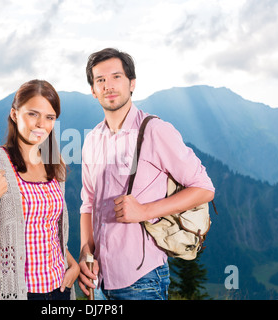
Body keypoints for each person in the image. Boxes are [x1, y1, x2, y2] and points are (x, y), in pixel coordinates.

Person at [78, 48, 215, 300]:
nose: (108, 85)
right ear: (93, 90)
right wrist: (86, 252)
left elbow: (204, 188)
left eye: (116, 77)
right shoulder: (91, 140)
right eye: (100, 80)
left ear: (132, 83)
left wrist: (145, 211)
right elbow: (88, 203)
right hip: (98, 281)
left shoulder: (155, 130)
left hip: (142, 279)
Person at [0, 79, 79, 300]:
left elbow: (47, 231)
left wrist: (73, 265)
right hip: (18, 293)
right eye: (33, 114)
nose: (41, 124)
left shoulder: (54, 163)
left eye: (50, 117)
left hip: (60, 289)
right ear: (14, 114)